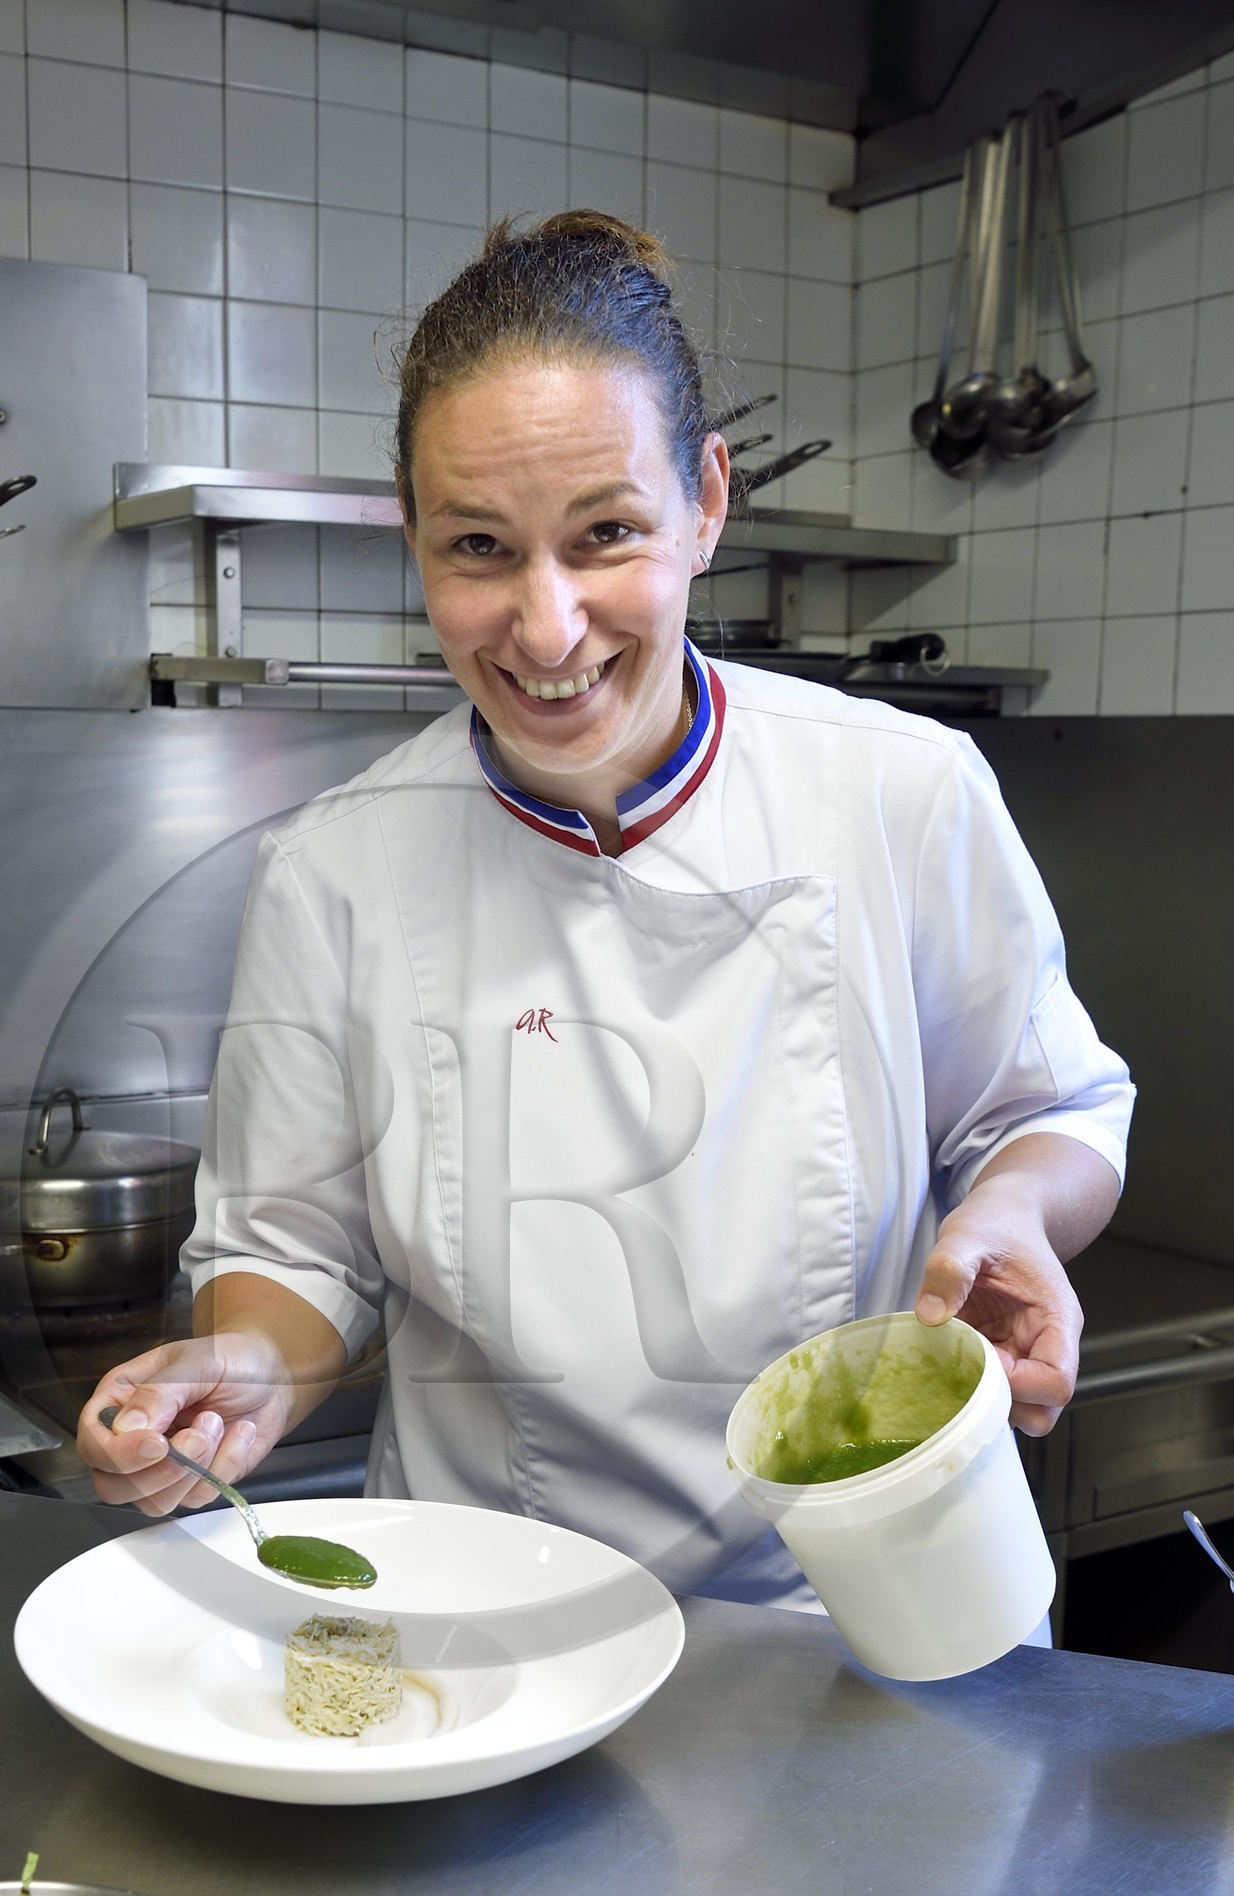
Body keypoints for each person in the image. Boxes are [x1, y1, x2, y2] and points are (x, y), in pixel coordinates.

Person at [77, 212, 1132, 1609]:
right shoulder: (333, 870)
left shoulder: (899, 789)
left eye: (606, 534)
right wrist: (247, 1364)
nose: (548, 625)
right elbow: (290, 1247)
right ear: (413, 535)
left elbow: (1051, 1111)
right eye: (478, 548)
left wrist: (1008, 1216)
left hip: (864, 1607)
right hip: (496, 1622)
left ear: (705, 499)